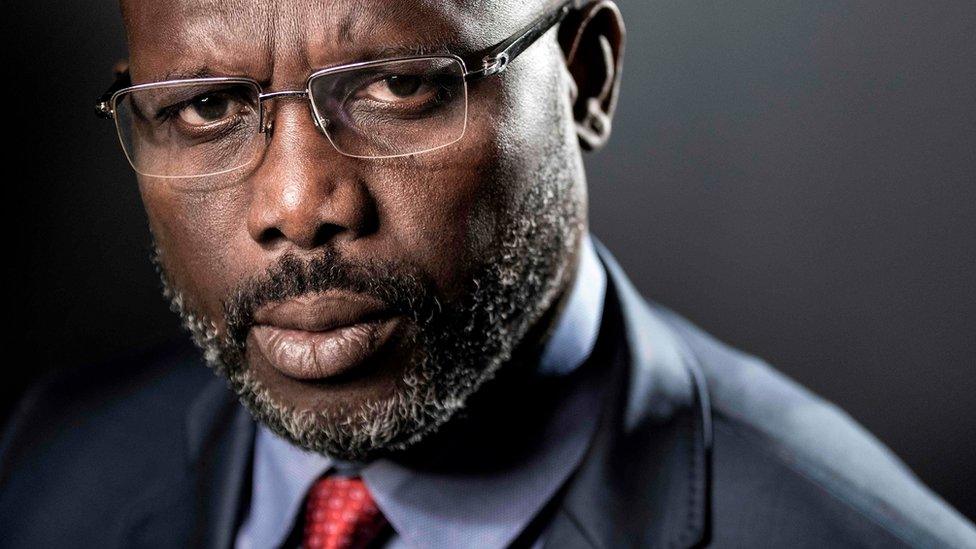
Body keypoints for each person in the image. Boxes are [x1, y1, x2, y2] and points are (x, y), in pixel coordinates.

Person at [2, 0, 974, 547]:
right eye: (205, 107)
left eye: (400, 85)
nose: (296, 205)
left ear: (586, 77)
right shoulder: (51, 463)